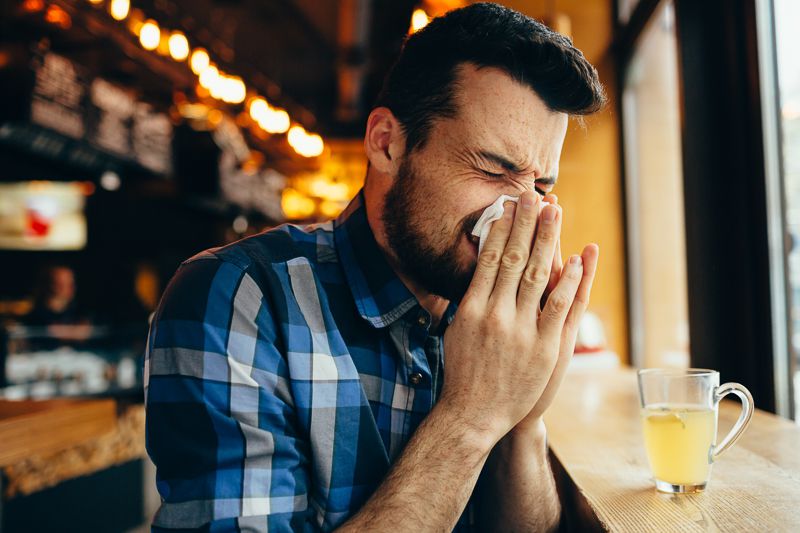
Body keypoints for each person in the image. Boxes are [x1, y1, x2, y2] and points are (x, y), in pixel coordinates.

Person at [144, 3, 605, 531]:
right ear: (387, 143)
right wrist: (471, 417)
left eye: (542, 187)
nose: (519, 213)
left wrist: (523, 418)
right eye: (493, 169)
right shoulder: (239, 297)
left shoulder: (498, 319)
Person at [24, 265, 93, 343]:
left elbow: (85, 332)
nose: (70, 287)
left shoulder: (80, 312)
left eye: (70, 282)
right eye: (61, 283)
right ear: (48, 285)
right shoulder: (36, 316)